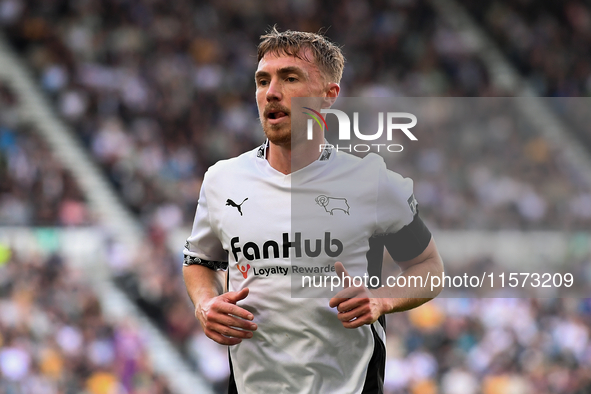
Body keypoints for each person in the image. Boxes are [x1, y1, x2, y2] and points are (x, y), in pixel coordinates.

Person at [183, 27, 444, 394]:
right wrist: (205, 304)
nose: (271, 92)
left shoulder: (371, 181)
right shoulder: (222, 180)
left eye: (290, 78)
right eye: (262, 80)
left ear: (328, 95)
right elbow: (200, 261)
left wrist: (383, 300)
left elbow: (429, 269)